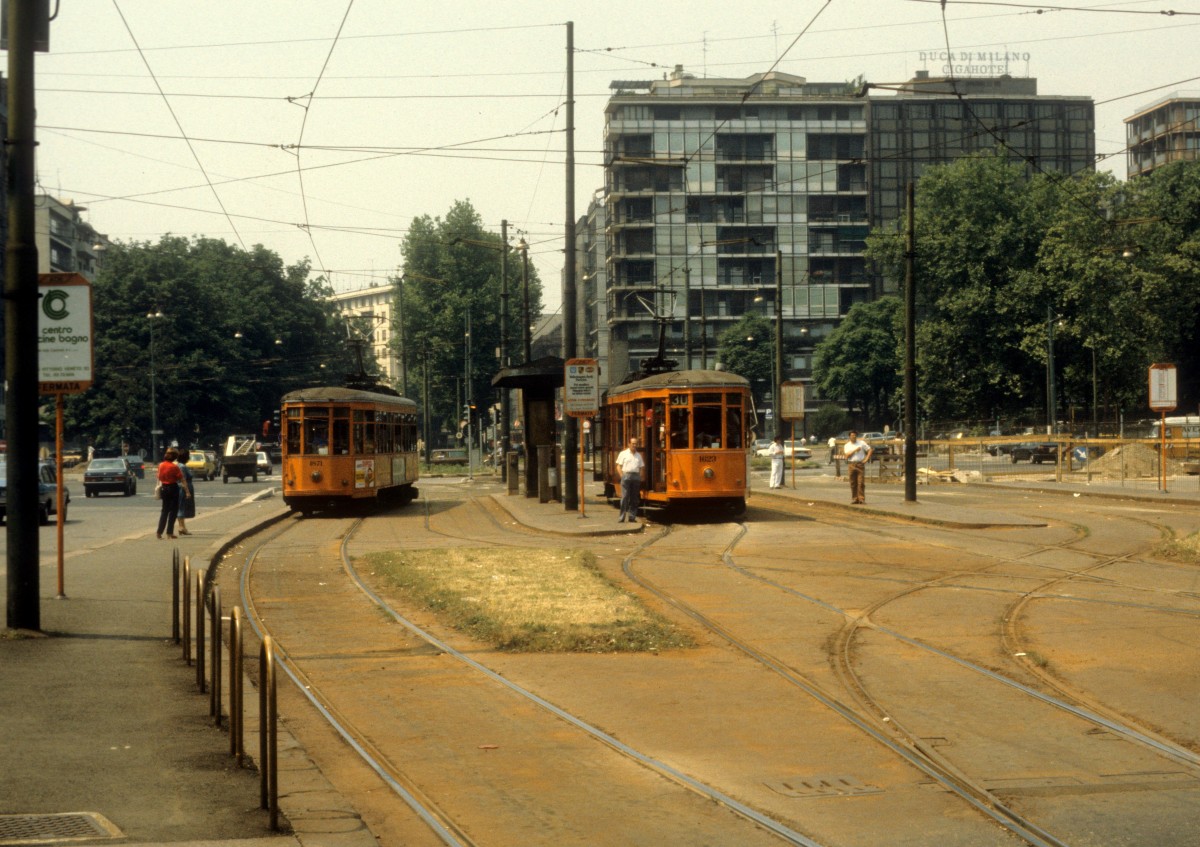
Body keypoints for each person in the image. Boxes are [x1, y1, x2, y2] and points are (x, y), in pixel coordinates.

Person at [156, 447, 185, 539]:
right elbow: (181, 478)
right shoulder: (174, 467)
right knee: (173, 511)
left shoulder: (161, 465)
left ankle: (159, 532)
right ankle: (169, 532)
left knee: (164, 511)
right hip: (173, 488)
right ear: (174, 457)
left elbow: (159, 476)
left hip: (164, 488)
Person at [615, 436, 644, 523]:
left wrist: (640, 476)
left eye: (636, 444)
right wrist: (622, 475)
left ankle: (632, 517)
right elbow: (618, 466)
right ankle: (622, 517)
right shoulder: (623, 453)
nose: (634, 445)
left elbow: (641, 467)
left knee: (634, 498)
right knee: (625, 497)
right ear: (629, 444)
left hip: (635, 476)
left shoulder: (638, 455)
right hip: (626, 476)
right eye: (633, 443)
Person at [842, 430, 873, 504]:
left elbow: (870, 450)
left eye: (855, 435)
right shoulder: (847, 445)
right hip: (851, 464)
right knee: (853, 482)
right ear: (849, 436)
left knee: (861, 482)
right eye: (852, 435)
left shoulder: (861, 443)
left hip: (860, 464)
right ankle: (855, 498)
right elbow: (846, 456)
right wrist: (855, 450)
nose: (854, 436)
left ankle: (861, 499)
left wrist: (866, 459)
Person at [175, 448, 196, 535]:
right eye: (188, 456)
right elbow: (183, 480)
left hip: (181, 488)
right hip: (183, 489)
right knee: (181, 507)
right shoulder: (182, 467)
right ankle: (181, 527)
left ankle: (182, 527)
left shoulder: (179, 465)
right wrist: (187, 491)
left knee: (181, 507)